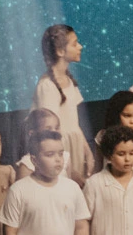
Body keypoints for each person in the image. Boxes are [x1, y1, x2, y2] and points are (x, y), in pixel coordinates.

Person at [32, 24, 93, 182]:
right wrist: (69, 168)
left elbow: (74, 124)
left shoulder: (69, 81)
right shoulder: (47, 86)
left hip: (74, 148)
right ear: (60, 51)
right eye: (74, 43)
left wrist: (88, 153)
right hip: (59, 151)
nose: (80, 46)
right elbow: (48, 131)